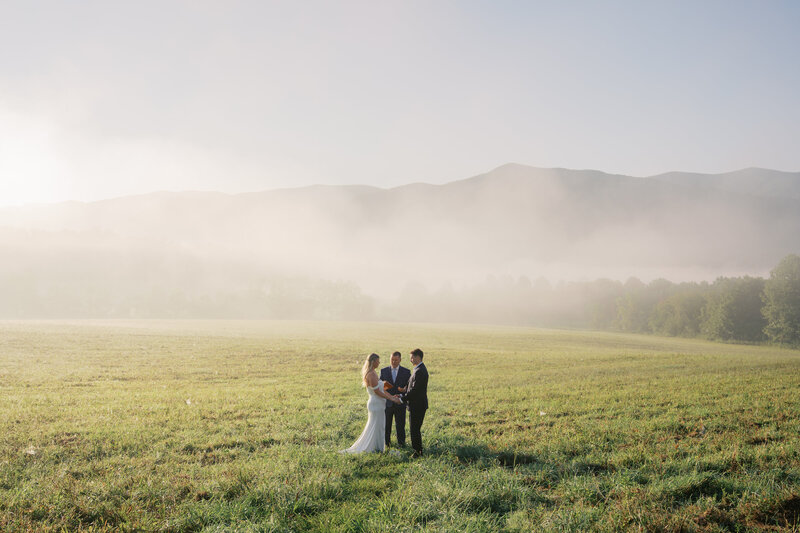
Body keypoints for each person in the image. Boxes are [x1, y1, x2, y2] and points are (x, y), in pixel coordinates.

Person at [341, 353, 402, 454]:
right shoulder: (371, 374)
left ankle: (377, 446)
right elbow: (378, 392)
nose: (379, 363)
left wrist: (391, 396)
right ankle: (373, 447)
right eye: (378, 361)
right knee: (376, 426)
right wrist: (392, 399)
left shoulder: (373, 372)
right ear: (373, 362)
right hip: (376, 404)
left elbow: (382, 389)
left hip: (378, 404)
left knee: (378, 426)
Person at [401, 348, 428, 458]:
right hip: (416, 404)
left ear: (418, 357)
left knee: (415, 429)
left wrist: (402, 398)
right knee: (415, 429)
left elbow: (415, 391)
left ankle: (418, 452)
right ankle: (417, 450)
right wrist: (404, 390)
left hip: (418, 405)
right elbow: (411, 386)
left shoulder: (420, 371)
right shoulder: (418, 369)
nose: (411, 360)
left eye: (412, 357)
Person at [380, 351, 411, 448]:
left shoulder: (406, 372)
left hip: (400, 403)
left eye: (396, 360)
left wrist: (403, 391)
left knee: (400, 426)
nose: (393, 362)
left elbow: (409, 388)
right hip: (387, 403)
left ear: (400, 360)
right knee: (386, 425)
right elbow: (380, 387)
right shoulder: (383, 371)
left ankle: (401, 444)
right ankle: (386, 444)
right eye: (392, 360)